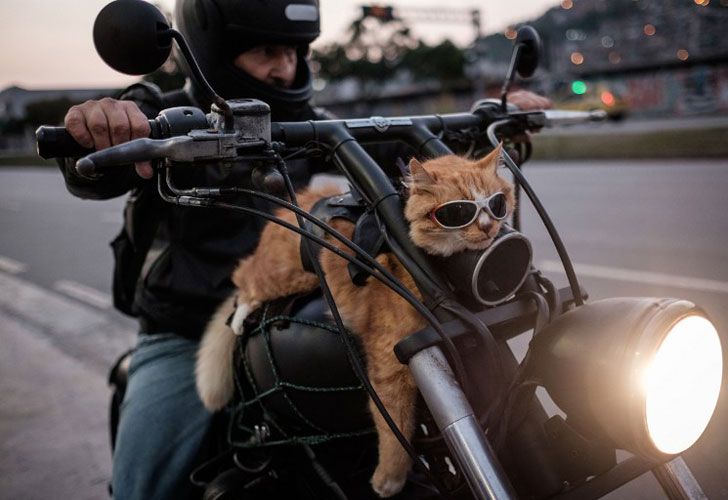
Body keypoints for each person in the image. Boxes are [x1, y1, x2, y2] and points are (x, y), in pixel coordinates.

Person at [59, 0, 551, 498]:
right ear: (213, 52)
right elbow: (93, 168)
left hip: (288, 308)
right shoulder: (160, 114)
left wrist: (487, 122)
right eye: (268, 51)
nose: (287, 65)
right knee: (141, 486)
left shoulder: (304, 119)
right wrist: (103, 123)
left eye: (296, 50)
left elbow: (411, 159)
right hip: (185, 327)